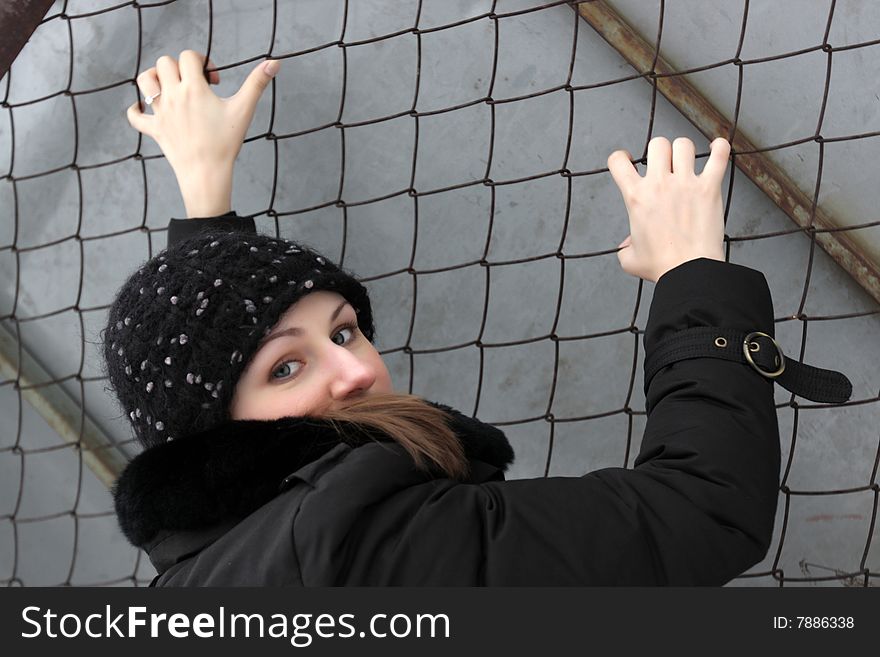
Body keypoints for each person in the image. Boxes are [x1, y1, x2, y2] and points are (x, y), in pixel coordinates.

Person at [103, 52, 849, 586]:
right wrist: (694, 272)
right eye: (288, 367)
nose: (359, 368)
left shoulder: (200, 553)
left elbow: (204, 378)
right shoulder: (377, 549)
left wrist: (205, 188)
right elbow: (698, 515)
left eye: (343, 331)